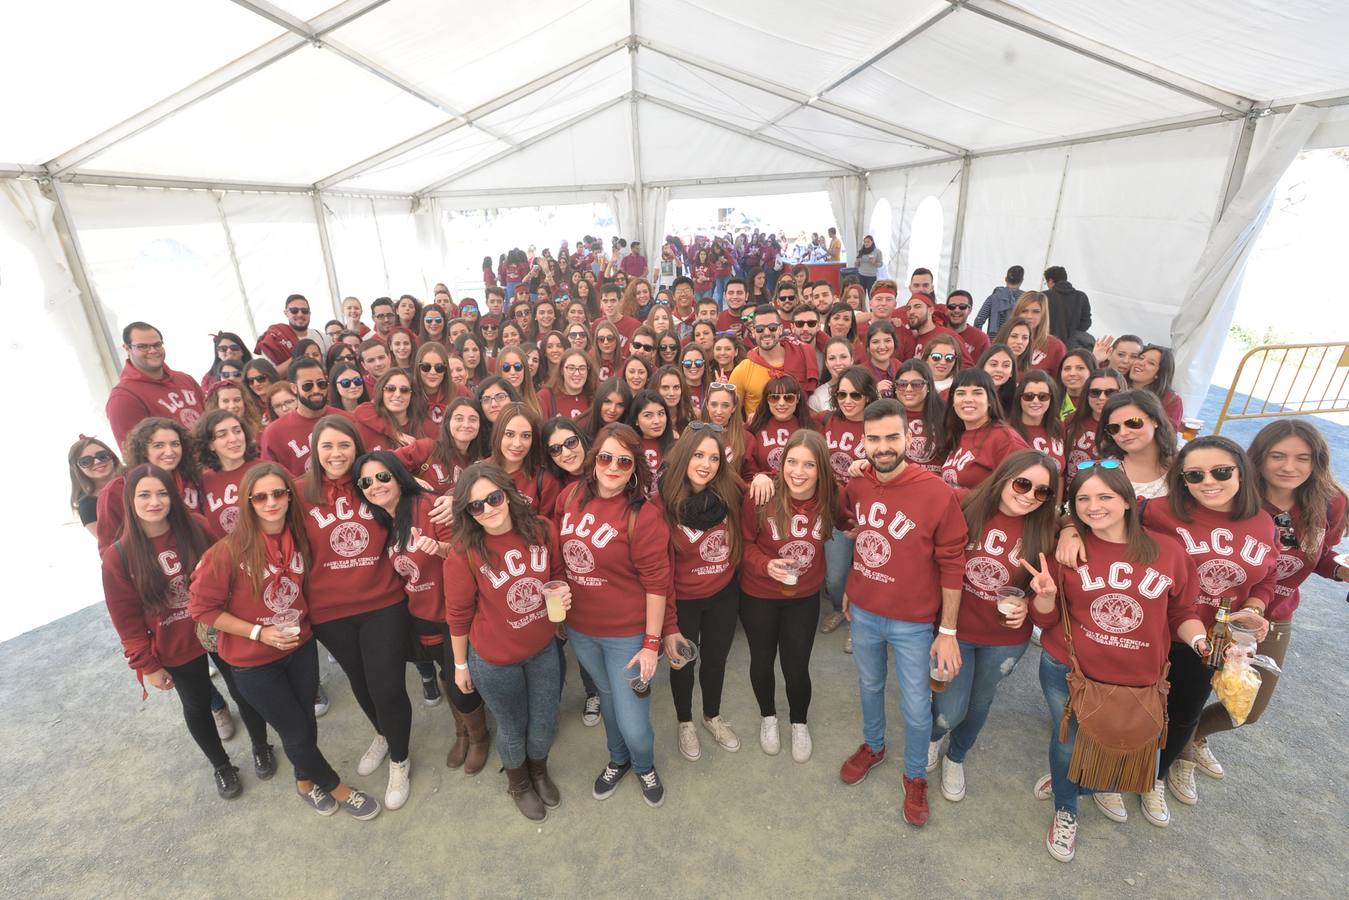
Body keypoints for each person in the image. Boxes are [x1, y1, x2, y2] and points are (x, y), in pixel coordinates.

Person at [1030, 460, 1206, 862]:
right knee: (1067, 745)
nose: (1095, 506)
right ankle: (1065, 806)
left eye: (1105, 496)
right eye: (1084, 499)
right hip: (1069, 670)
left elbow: (1182, 613)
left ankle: (1071, 784)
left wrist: (1202, 644)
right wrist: (1041, 595)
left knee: (1129, 750)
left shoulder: (1169, 552)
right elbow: (1045, 619)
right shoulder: (1067, 550)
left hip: (1139, 679)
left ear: (1128, 500)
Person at [189, 462, 380, 820]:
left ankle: (304, 781)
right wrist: (258, 632)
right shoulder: (226, 553)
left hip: (300, 645)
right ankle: (337, 787)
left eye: (278, 493)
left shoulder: (300, 535)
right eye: (260, 497)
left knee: (306, 721)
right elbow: (202, 608)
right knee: (294, 730)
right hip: (252, 661)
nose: (271, 502)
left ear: (290, 497)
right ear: (248, 502)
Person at [102, 464, 272, 799]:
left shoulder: (195, 525)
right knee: (196, 705)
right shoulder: (118, 557)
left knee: (245, 690)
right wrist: (148, 664)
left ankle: (261, 746)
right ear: (129, 500)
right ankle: (221, 766)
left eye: (163, 493)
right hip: (175, 643)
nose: (155, 502)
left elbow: (229, 571)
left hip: (220, 630)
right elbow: (126, 618)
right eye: (145, 495)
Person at [1190, 420, 1348, 776]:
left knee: (1249, 706)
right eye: (1277, 456)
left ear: (1316, 462)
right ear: (1258, 459)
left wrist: (1340, 570)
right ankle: (1178, 750)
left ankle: (1193, 735)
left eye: (1302, 458)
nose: (1289, 466)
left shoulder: (1331, 502)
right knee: (1192, 688)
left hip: (1274, 615)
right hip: (1216, 610)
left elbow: (1322, 555)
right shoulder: (1236, 494)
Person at [838, 399, 966, 828]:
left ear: (909, 438)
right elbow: (850, 528)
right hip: (866, 612)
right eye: (873, 439)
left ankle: (915, 775)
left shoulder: (935, 492)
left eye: (892, 437)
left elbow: (952, 562)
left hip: (913, 621)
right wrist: (854, 587)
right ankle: (873, 745)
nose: (884, 446)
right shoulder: (856, 485)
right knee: (869, 684)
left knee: (916, 706)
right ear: (863, 442)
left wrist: (946, 630)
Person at [1132, 438, 1276, 816]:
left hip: (1212, 640)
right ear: (1182, 480)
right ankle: (1113, 769)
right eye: (1195, 475)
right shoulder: (1158, 511)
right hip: (1154, 630)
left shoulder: (1262, 522)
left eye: (1221, 471)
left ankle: (1155, 777)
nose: (1208, 481)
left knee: (1184, 711)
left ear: (1241, 471)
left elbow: (1266, 576)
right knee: (1135, 703)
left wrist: (1254, 607)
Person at [556, 423, 681, 807]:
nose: (613, 467)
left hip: (627, 636)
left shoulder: (643, 516)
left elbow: (657, 585)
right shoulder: (570, 496)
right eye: (606, 457)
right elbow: (559, 555)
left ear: (634, 469)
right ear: (594, 460)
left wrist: (651, 644)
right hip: (581, 630)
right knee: (608, 698)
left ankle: (643, 764)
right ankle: (618, 759)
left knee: (634, 721)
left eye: (624, 461)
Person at [928, 450, 1060, 803]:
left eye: (1042, 492)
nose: (1029, 495)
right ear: (1004, 476)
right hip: (954, 629)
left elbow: (1046, 613)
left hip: (1004, 639)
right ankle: (934, 736)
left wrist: (1032, 605)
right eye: (1022, 483)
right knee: (949, 709)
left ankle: (956, 756)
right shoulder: (964, 504)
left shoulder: (1050, 531)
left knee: (980, 703)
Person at [300, 416, 416, 811]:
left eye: (345, 445)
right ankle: (383, 734)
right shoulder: (300, 493)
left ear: (357, 447)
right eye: (328, 446)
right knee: (361, 683)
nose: (337, 454)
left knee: (387, 685)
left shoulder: (371, 483)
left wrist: (449, 501)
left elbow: (413, 487)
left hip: (383, 602)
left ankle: (400, 760)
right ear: (315, 451)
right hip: (329, 611)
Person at [444, 464, 568, 820]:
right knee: (513, 726)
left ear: (508, 494)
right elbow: (458, 614)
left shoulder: (542, 529)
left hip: (542, 647)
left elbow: (556, 574)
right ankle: (519, 783)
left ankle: (538, 770)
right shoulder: (463, 552)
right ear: (467, 513)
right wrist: (460, 665)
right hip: (494, 659)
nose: (488, 509)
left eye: (493, 498)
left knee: (544, 721)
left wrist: (563, 598)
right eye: (475, 506)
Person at [354, 451, 487, 781]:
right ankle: (462, 732)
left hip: (451, 612)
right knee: (447, 674)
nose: (375, 485)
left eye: (383, 476)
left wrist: (438, 549)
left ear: (399, 476)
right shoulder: (383, 520)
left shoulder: (428, 506)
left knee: (462, 681)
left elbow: (462, 551)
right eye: (366, 482)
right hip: (420, 612)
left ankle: (479, 737)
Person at [659, 425, 744, 761]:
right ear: (684, 457)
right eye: (698, 455)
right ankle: (685, 721)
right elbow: (657, 571)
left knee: (716, 659)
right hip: (682, 599)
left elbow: (758, 492)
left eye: (713, 457)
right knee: (682, 664)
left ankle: (712, 716)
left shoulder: (729, 490)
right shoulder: (662, 503)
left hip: (722, 593)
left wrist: (766, 477)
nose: (706, 464)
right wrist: (668, 623)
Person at [96, 417, 201, 553]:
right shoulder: (117, 490)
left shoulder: (191, 478)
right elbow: (108, 547)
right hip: (149, 567)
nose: (169, 452)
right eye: (158, 445)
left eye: (175, 444)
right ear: (143, 449)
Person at [106, 321, 205, 448]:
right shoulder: (123, 398)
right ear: (127, 348)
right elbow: (134, 456)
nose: (153, 351)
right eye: (143, 346)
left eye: (157, 345)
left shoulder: (185, 379)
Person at [938, 369, 1030, 494]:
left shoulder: (1004, 437)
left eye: (977, 393)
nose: (968, 399)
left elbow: (1024, 487)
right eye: (960, 393)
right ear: (953, 402)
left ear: (990, 401)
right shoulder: (958, 434)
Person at [260, 358, 351, 476]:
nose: (316, 390)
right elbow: (269, 477)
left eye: (321, 384)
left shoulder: (347, 420)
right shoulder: (274, 433)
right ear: (294, 388)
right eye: (307, 386)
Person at [730, 305, 819, 417]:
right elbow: (732, 413)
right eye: (760, 329)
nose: (766, 333)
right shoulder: (742, 370)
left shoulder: (801, 356)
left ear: (780, 329)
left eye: (772, 327)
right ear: (753, 331)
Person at [195, 409, 266, 541]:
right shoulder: (203, 482)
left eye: (237, 431)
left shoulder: (266, 470)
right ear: (210, 445)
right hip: (230, 557)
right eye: (222, 435)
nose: (233, 439)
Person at [1097, 389, 1176, 499]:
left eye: (1133, 423)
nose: (1123, 433)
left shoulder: (1184, 461)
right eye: (1114, 428)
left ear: (1155, 420)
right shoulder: (1105, 473)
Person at [488, 402, 560, 512]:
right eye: (509, 434)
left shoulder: (546, 481)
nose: (517, 444)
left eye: (526, 436)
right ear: (498, 434)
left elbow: (548, 526)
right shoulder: (478, 472)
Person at [745, 374, 814, 478]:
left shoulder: (811, 428)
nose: (781, 403)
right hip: (764, 489)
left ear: (798, 398)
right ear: (766, 400)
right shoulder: (754, 426)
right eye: (774, 398)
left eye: (788, 398)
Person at [1065, 369, 1127, 468]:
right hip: (1074, 482)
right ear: (1087, 394)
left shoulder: (1130, 426)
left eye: (1110, 392)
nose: (1101, 397)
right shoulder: (1071, 420)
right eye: (1095, 392)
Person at [1010, 371, 1066, 477]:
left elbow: (1060, 476)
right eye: (1029, 396)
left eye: (1043, 396)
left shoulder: (1058, 427)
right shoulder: (1007, 431)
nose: (1035, 401)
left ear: (1051, 399)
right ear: (1019, 398)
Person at [895, 360, 945, 477]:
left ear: (928, 387)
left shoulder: (946, 414)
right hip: (900, 485)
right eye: (902, 384)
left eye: (917, 384)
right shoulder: (887, 416)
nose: (908, 389)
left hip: (938, 487)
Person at [999, 292, 1067, 375]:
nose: (1029, 316)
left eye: (1036, 312)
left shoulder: (1056, 346)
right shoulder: (1002, 340)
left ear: (1043, 315)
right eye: (1024, 311)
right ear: (1017, 312)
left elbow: (1060, 381)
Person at [69, 436, 122, 536]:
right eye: (86, 461)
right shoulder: (87, 505)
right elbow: (109, 542)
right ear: (77, 468)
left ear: (112, 457)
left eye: (102, 456)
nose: (97, 462)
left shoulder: (135, 478)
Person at [255, 295, 327, 366]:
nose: (300, 314)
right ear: (286, 313)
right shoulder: (274, 339)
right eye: (294, 311)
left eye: (304, 311)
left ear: (309, 313)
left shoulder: (321, 337)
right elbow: (269, 375)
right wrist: (297, 358)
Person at [1129, 344, 1184, 430]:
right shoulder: (1115, 386)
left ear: (1159, 373)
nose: (1141, 363)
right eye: (1141, 358)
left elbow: (1168, 435)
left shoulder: (1171, 400)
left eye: (1151, 363)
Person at [1042, 266, 1092, 347]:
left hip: (1048, 344)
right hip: (1073, 346)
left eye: (1046, 282)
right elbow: (1086, 322)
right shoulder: (1081, 297)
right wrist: (1072, 334)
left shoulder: (1044, 296)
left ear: (1050, 281)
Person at [973, 266, 1024, 337]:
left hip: (994, 343)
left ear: (1005, 279)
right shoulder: (1025, 300)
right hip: (1016, 342)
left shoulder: (993, 297)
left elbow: (978, 321)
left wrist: (982, 340)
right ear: (1022, 280)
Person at [942, 290, 990, 365]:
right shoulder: (937, 332)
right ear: (946, 309)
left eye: (962, 307)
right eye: (952, 306)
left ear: (970, 310)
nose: (956, 310)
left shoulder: (981, 339)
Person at [809, 337, 855, 413]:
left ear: (852, 359)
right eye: (832, 358)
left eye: (843, 357)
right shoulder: (817, 397)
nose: (838, 363)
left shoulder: (866, 388)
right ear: (826, 363)